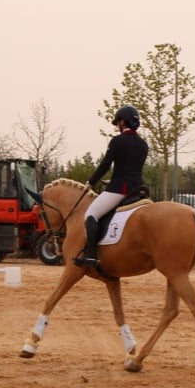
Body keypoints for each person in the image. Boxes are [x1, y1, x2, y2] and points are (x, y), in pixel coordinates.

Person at [74, 105, 149, 268]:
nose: (117, 126)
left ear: (122, 122)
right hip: (138, 188)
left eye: (117, 123)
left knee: (91, 214)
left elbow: (106, 165)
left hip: (120, 189)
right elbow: (131, 168)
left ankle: (91, 255)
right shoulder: (143, 144)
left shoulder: (118, 141)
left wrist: (91, 182)